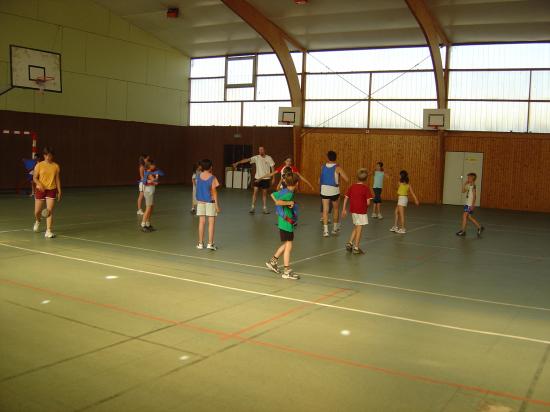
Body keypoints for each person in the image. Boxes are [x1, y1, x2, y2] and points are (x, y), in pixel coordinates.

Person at [266, 173, 300, 280]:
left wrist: (282, 204)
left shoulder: (284, 191)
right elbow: (278, 203)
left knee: (286, 244)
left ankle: (273, 261)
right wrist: (288, 202)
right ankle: (286, 271)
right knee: (289, 246)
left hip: (282, 222)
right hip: (287, 223)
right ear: (296, 183)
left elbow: (273, 195)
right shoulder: (289, 194)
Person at [233, 146, 275, 214]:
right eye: (259, 150)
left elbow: (273, 168)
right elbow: (247, 160)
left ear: (264, 150)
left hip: (266, 179)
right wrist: (237, 163)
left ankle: (264, 208)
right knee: (255, 192)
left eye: (262, 150)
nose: (260, 151)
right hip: (257, 178)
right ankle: (252, 207)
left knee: (264, 194)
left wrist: (273, 178)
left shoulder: (269, 158)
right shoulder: (256, 157)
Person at [342, 168, 373, 254]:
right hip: (361, 212)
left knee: (356, 227)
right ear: (366, 178)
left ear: (357, 177)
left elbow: (346, 198)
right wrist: (366, 205)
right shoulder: (366, 188)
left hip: (353, 211)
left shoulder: (352, 186)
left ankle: (349, 243)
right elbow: (368, 202)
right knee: (359, 229)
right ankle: (356, 248)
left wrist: (344, 209)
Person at [32, 147, 61, 238]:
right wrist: (40, 184)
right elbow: (34, 178)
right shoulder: (39, 165)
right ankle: (38, 220)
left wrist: (59, 191)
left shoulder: (56, 166)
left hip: (51, 190)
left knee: (49, 211)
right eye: (47, 155)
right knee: (37, 211)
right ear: (44, 155)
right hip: (40, 190)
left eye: (50, 156)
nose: (49, 157)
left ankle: (48, 231)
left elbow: (57, 179)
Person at [320, 150, 349, 237]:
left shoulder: (323, 167)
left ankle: (325, 231)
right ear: (335, 158)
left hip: (324, 189)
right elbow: (347, 179)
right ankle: (334, 229)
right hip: (334, 190)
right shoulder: (337, 168)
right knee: (336, 209)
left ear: (328, 158)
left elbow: (320, 178)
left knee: (325, 209)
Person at [195, 159, 221, 251]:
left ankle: (200, 243)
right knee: (211, 223)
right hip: (210, 202)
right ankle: (210, 244)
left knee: (201, 222)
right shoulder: (212, 178)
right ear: (210, 167)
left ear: (201, 167)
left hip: (200, 202)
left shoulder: (198, 176)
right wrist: (217, 205)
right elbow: (214, 192)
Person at [390, 170, 419, 234]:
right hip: (403, 199)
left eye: (399, 175)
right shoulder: (408, 185)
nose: (399, 176)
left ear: (401, 176)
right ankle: (395, 226)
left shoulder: (400, 183)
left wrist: (416, 200)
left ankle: (403, 228)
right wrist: (416, 199)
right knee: (396, 212)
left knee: (401, 215)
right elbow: (412, 193)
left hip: (402, 199)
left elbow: (396, 188)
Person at [456, 173, 485, 237]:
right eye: (468, 177)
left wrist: (472, 205)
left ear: (472, 178)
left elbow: (474, 196)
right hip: (467, 203)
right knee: (469, 217)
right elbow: (463, 191)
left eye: (469, 178)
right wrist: (464, 184)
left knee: (464, 215)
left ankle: (463, 231)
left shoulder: (473, 186)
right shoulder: (469, 185)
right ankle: (479, 227)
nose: (468, 179)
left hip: (469, 204)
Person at [141, 160, 160, 232]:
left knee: (151, 208)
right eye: (153, 165)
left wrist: (153, 181)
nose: (154, 166)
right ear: (150, 166)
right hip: (148, 192)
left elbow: (154, 182)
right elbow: (155, 181)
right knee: (148, 208)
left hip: (150, 191)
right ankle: (143, 225)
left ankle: (148, 224)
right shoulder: (148, 173)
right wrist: (156, 177)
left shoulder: (149, 173)